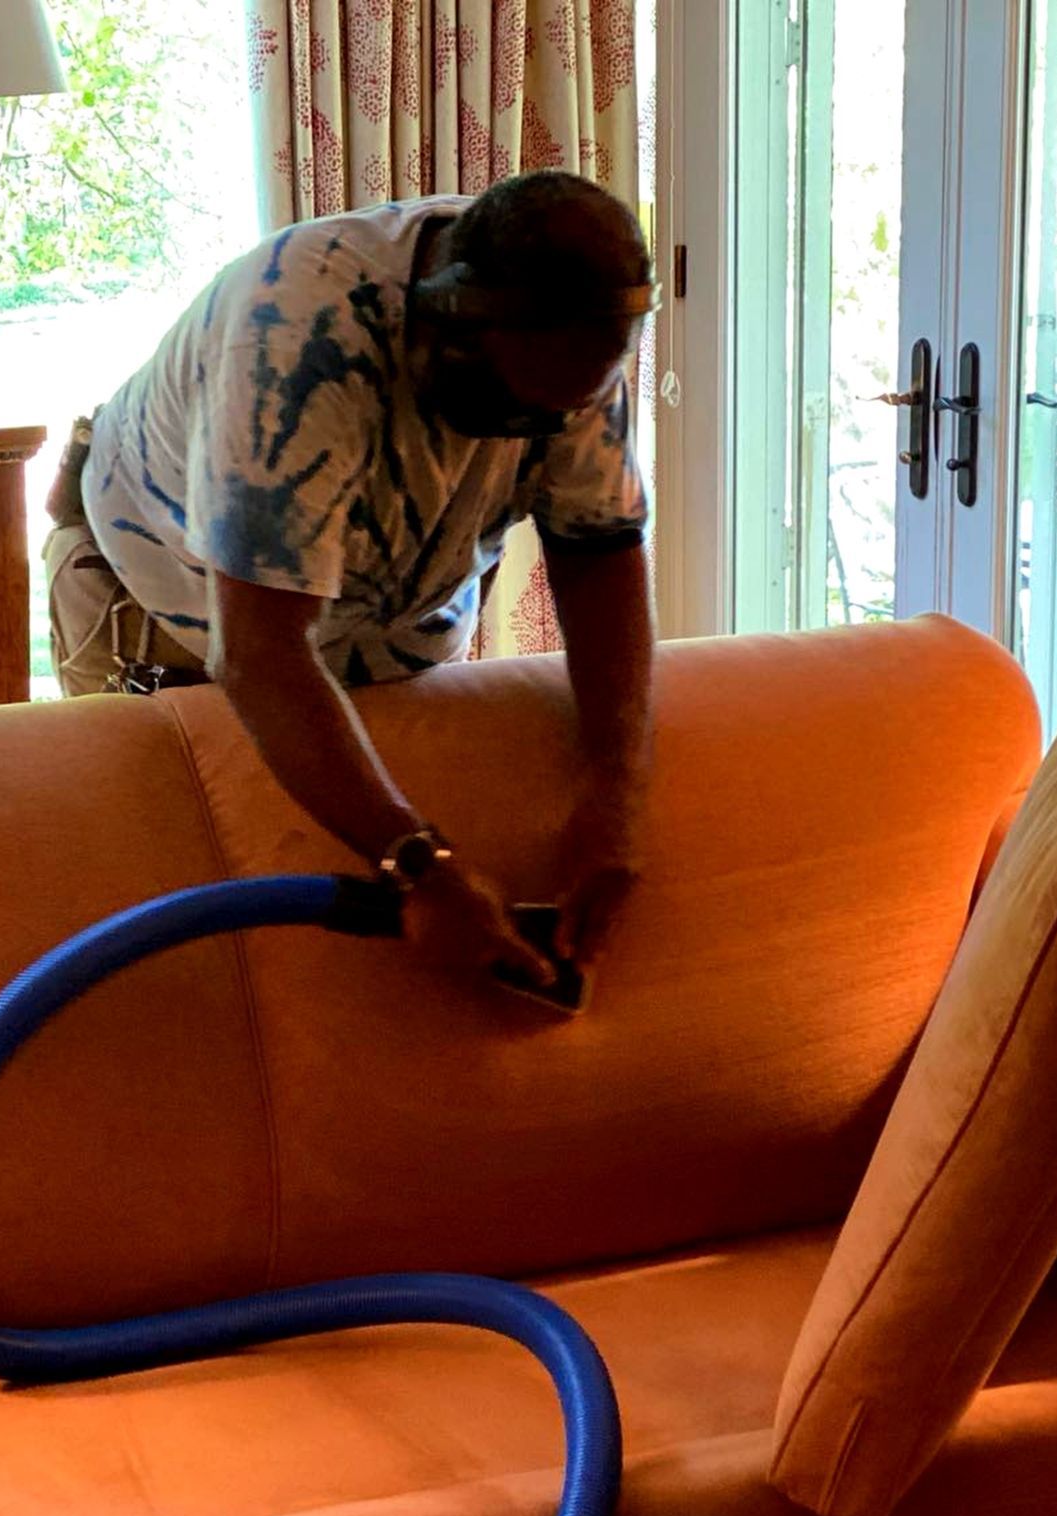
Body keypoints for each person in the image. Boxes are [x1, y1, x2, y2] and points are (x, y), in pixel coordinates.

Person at [43, 169, 658, 989]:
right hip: (168, 630)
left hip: (373, 651)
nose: (535, 434)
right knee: (191, 982)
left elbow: (599, 555)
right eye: (515, 408)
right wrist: (419, 867)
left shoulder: (571, 339)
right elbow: (260, 654)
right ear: (446, 323)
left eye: (559, 413)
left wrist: (614, 796)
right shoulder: (296, 335)